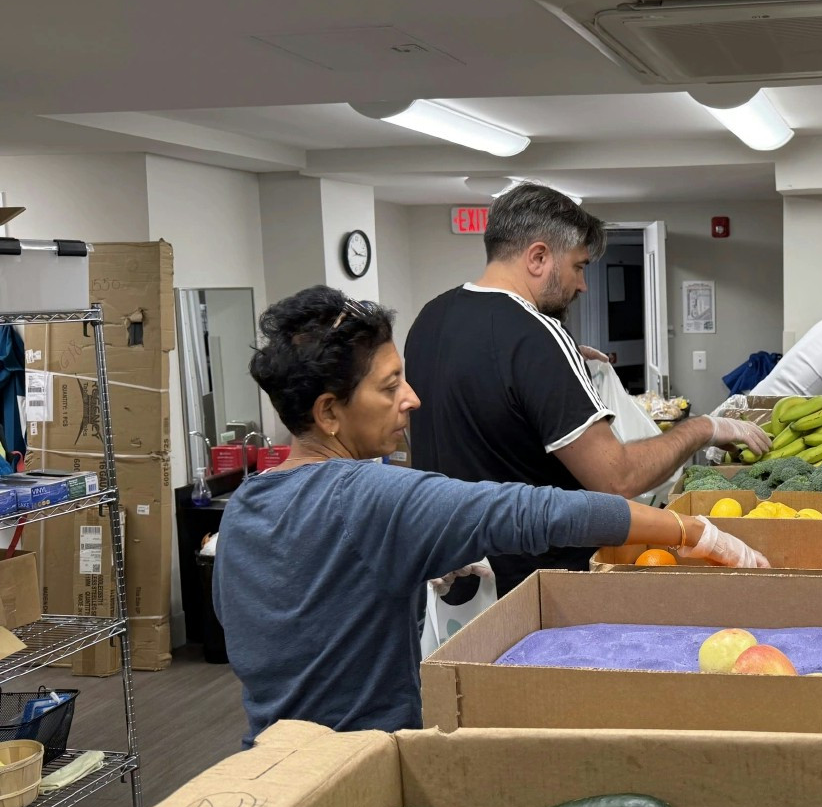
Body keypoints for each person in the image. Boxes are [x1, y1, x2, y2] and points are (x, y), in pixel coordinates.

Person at [214, 287, 768, 744]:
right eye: (389, 386)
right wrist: (693, 531)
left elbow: (293, 625)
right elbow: (545, 512)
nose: (412, 398)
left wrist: (402, 563)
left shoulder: (244, 507)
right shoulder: (368, 496)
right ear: (329, 412)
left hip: (271, 758)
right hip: (358, 770)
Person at [405, 183, 771, 595]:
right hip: (539, 585)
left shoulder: (431, 318)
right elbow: (618, 479)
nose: (582, 285)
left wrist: (560, 360)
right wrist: (703, 428)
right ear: (538, 257)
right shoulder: (537, 334)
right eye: (578, 267)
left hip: (456, 577)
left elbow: (476, 398)